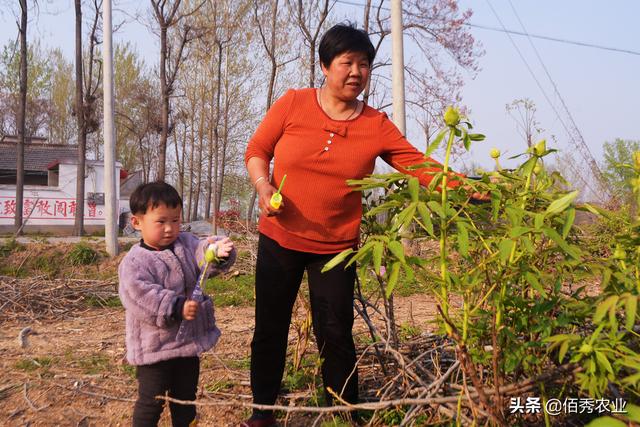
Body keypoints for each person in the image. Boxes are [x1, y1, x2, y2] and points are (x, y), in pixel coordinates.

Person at [243, 23, 466, 427]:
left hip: (335, 247)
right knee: (270, 327)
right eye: (347, 62)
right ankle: (263, 413)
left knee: (336, 334)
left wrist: (467, 188)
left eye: (364, 64)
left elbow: (417, 163)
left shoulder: (375, 124)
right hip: (280, 237)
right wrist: (264, 185)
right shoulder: (293, 103)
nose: (356, 72)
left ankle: (343, 415)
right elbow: (257, 151)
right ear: (325, 66)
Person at [118, 181, 236, 427]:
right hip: (154, 350)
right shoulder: (135, 262)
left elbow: (202, 252)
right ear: (137, 222)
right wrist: (176, 306)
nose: (170, 228)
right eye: (161, 222)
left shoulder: (185, 243)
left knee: (185, 399)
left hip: (186, 345)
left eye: (175, 220)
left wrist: (217, 250)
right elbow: (140, 297)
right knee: (152, 401)